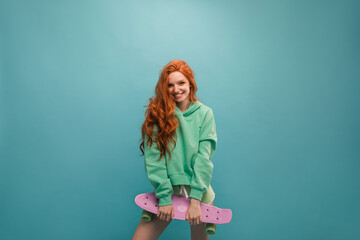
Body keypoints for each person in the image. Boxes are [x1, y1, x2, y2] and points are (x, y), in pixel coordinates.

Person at [132, 59, 217, 240]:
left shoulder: (205, 114)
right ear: (164, 88)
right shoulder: (158, 115)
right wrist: (164, 198)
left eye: (181, 83)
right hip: (167, 189)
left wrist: (195, 200)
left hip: (198, 191)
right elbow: (154, 160)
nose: (176, 89)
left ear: (190, 83)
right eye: (170, 85)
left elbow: (204, 158)